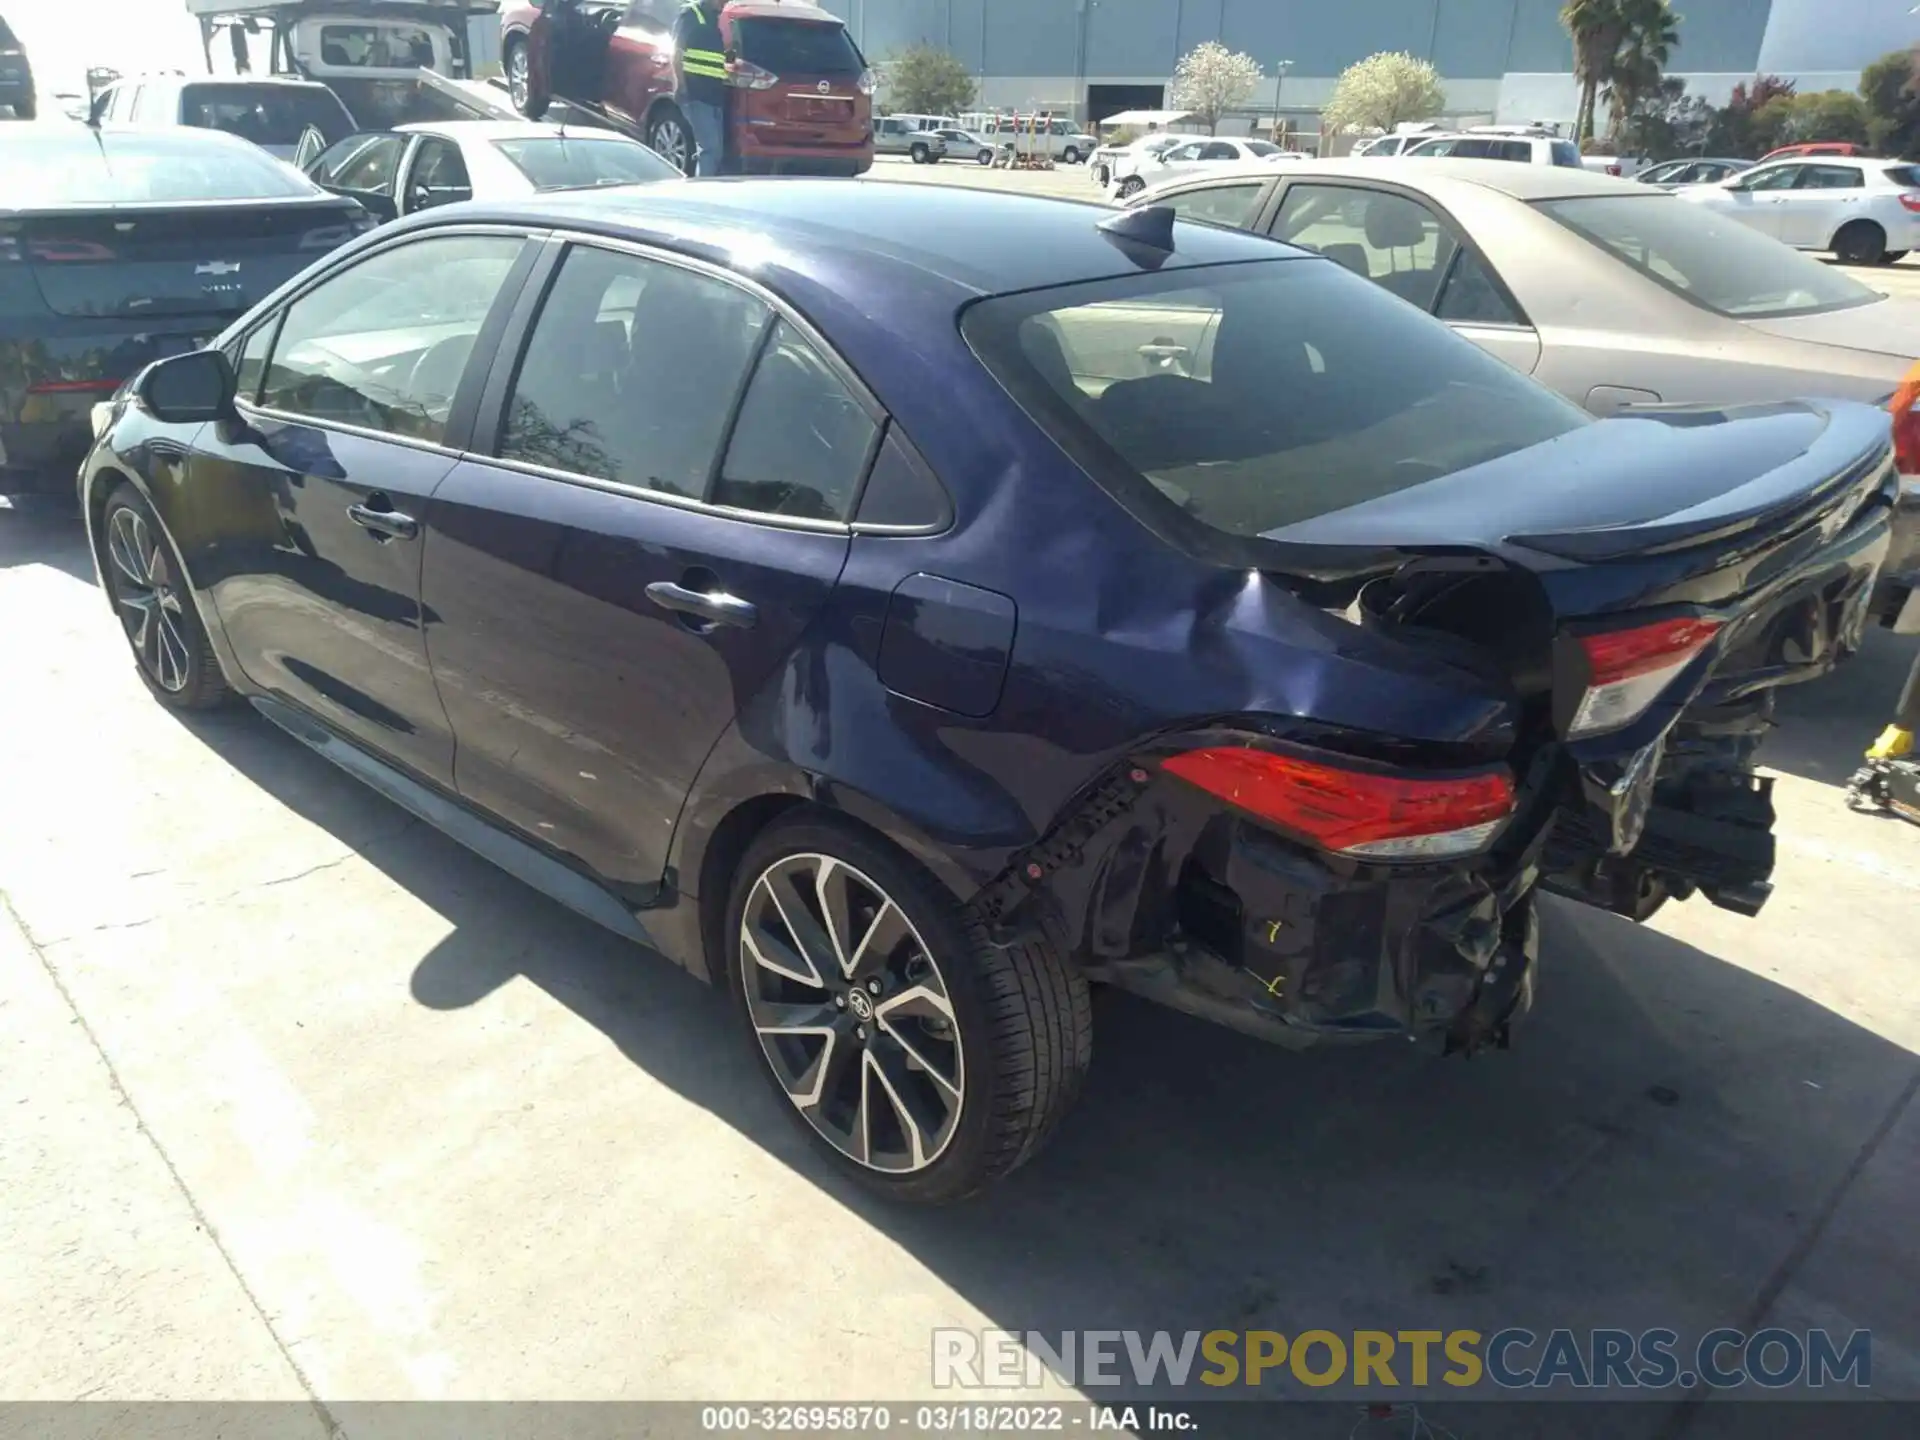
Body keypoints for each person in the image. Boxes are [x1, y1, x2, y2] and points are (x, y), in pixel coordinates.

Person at [673, 1, 729, 176]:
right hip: (696, 93)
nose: (725, 3)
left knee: (715, 151)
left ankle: (705, 185)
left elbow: (711, 59)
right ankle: (704, 190)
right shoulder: (690, 15)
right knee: (710, 149)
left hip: (714, 96)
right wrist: (680, 85)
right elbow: (676, 53)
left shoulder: (713, 20)